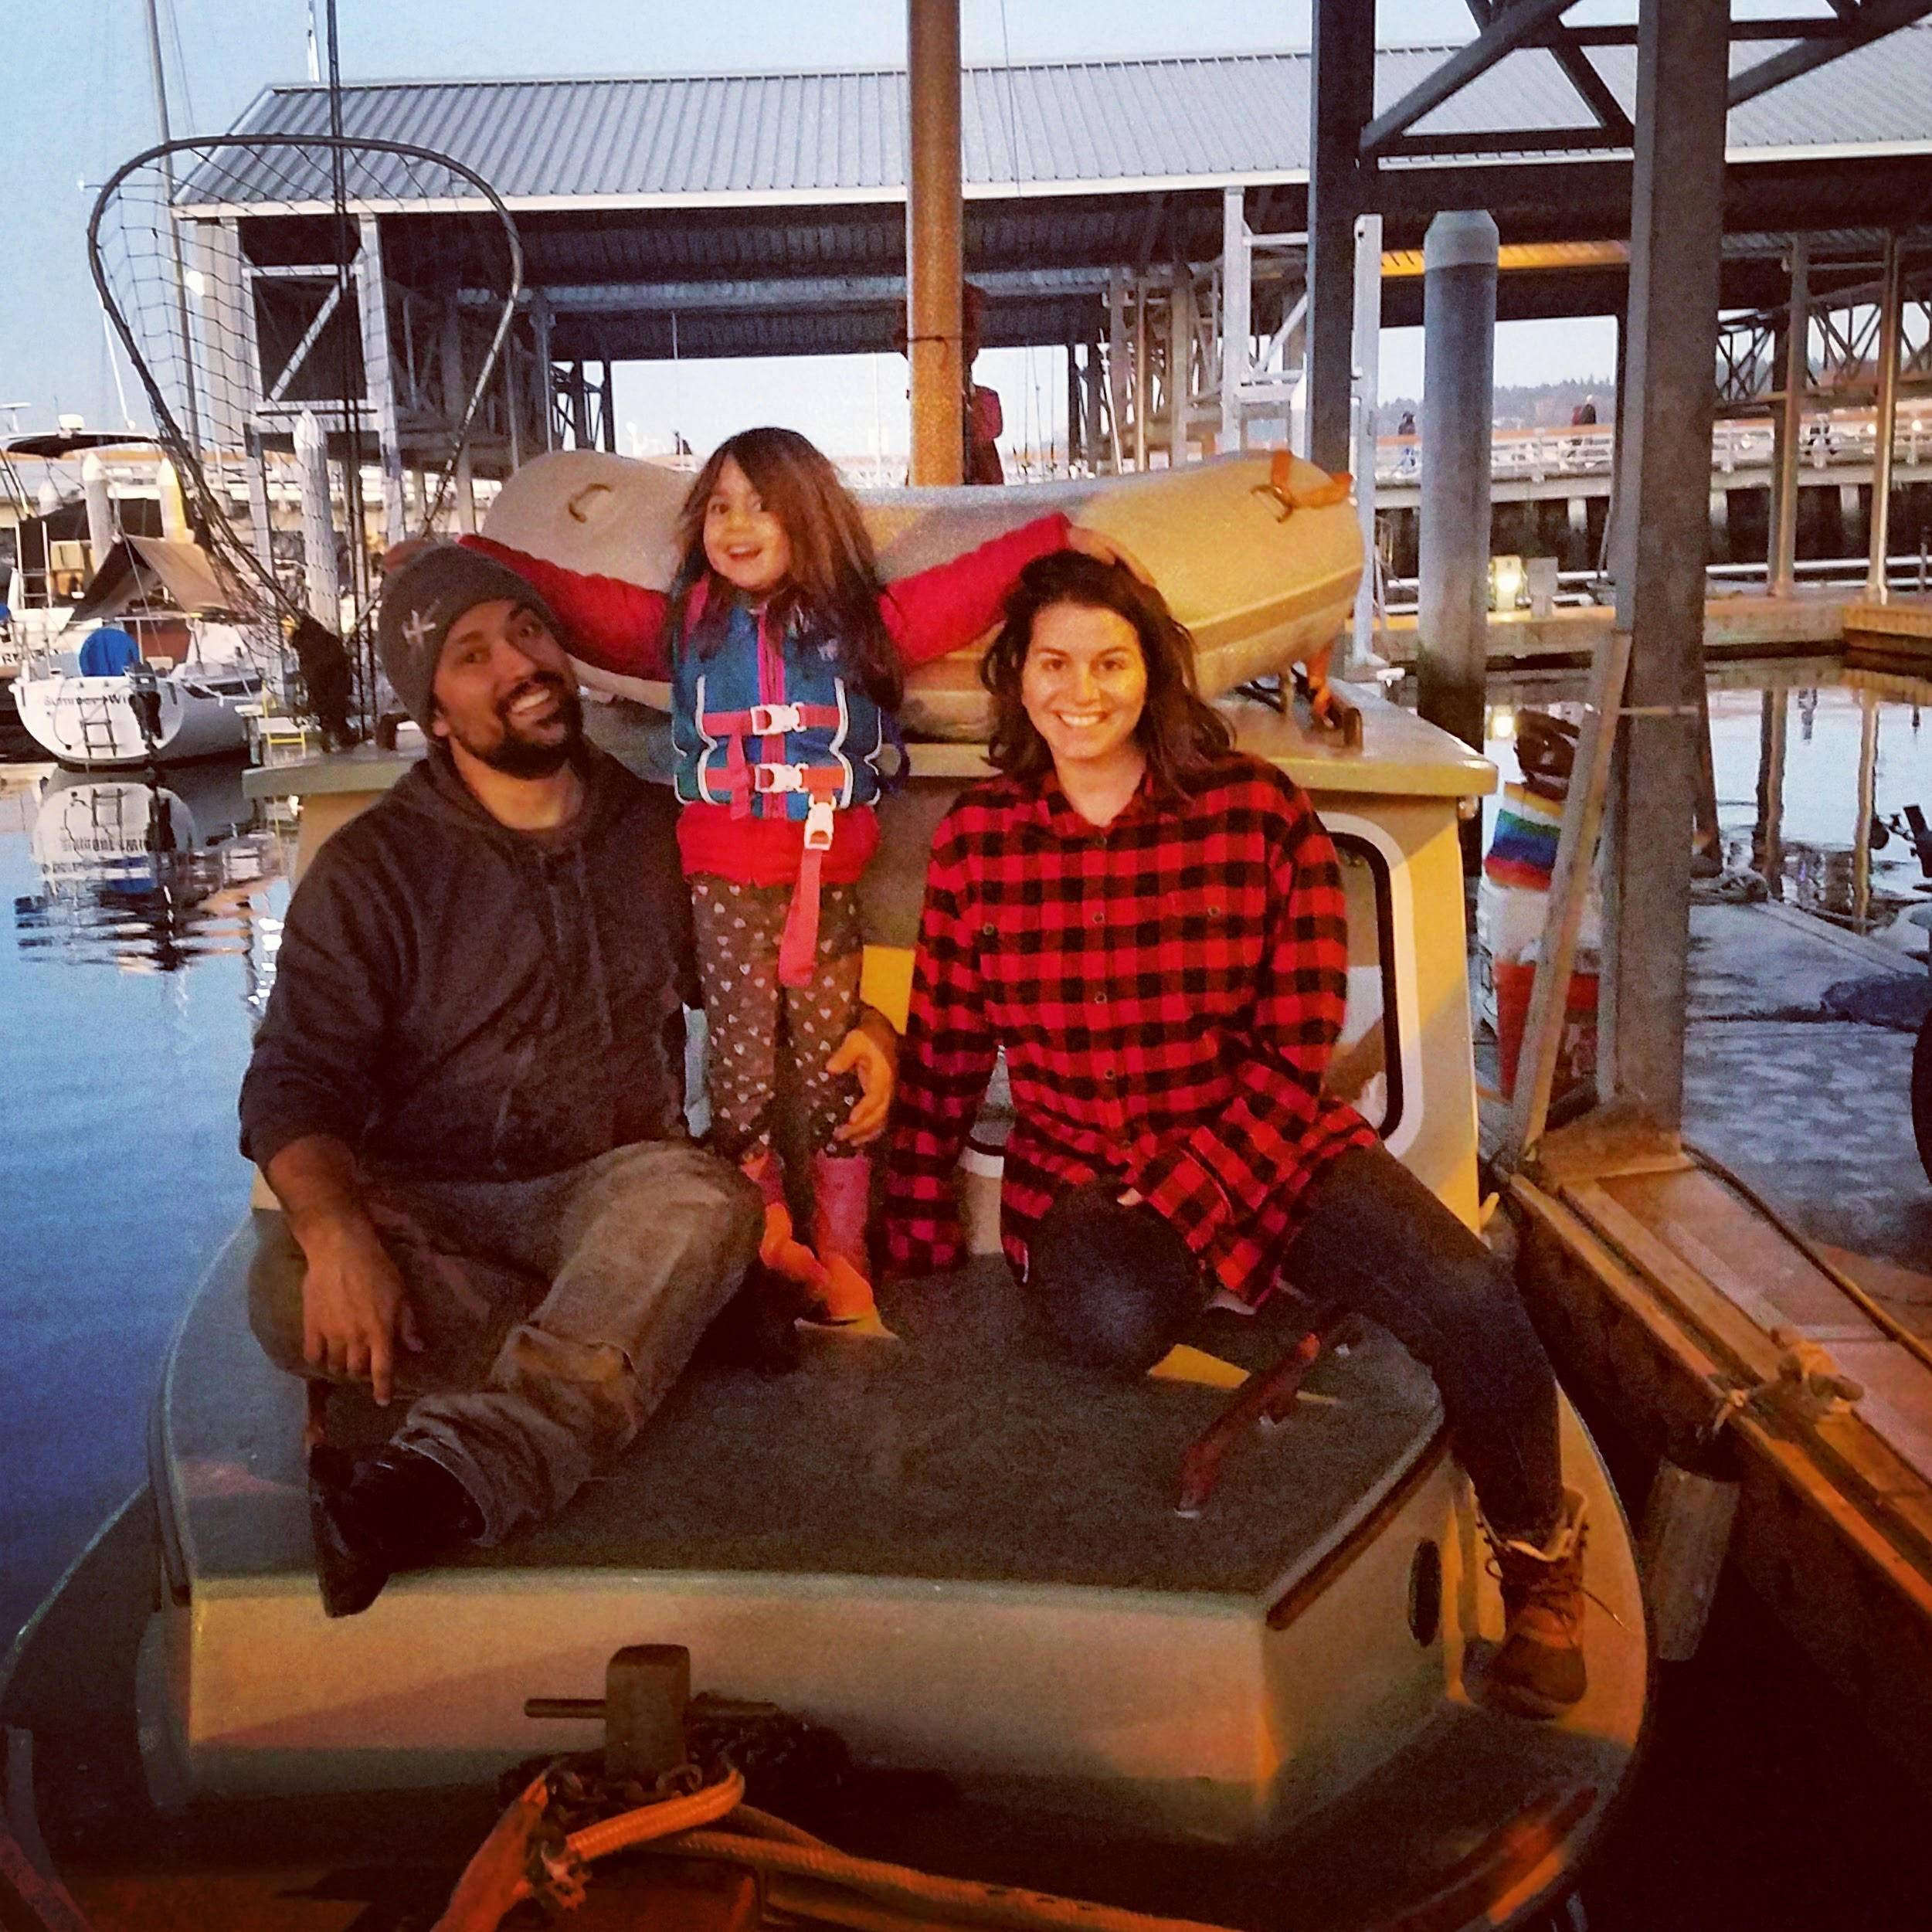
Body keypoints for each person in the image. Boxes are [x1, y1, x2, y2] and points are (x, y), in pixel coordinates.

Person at [881, 552, 1589, 1720]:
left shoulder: (1259, 811)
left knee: (1467, 1293)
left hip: (1256, 1146)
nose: (1081, 690)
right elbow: (948, 1053)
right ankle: (1219, 1285)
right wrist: (900, 1257)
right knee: (1112, 1316)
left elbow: (1292, 1048)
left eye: (1109, 661)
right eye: (1052, 664)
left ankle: (1536, 1558)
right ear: (1019, 680)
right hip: (1083, 1177)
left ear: (1153, 672)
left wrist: (1187, 1198)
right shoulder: (978, 842)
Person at [239, 544, 895, 1617]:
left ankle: (450, 1475)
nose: (523, 665)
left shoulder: (655, 829)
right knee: (283, 1295)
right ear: (435, 713)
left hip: (617, 1190)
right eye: (474, 654)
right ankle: (654, 1330)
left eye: (530, 631)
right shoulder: (373, 868)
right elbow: (293, 1081)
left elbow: (749, 977)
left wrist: (866, 1023)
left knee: (702, 1204)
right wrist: (338, 1235)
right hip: (432, 1209)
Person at [463, 428, 1129, 1326]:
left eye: (763, 504)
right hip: (726, 882)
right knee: (737, 1071)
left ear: (806, 516)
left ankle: (845, 1251)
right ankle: (771, 1234)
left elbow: (957, 594)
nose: (739, 524)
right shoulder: (683, 626)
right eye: (723, 505)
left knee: (827, 1071)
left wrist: (1050, 537)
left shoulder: (860, 625)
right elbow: (586, 607)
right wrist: (477, 554)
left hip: (826, 874)